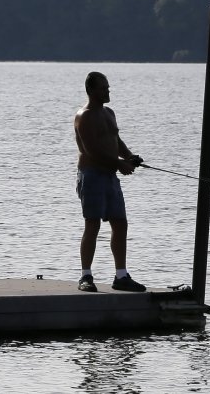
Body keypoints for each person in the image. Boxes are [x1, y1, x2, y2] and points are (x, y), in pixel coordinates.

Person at [73, 70, 145, 292]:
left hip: (110, 177)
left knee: (120, 223)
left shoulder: (109, 113)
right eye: (103, 88)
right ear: (92, 90)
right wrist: (119, 164)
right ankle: (86, 276)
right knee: (92, 225)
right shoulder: (83, 116)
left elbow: (115, 139)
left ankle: (121, 276)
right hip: (92, 175)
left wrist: (130, 157)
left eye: (107, 87)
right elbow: (91, 151)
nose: (107, 90)